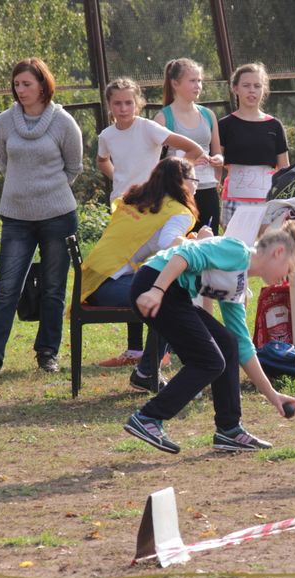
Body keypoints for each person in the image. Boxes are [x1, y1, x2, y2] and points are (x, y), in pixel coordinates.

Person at [123, 221, 295, 454]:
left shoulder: (238, 283)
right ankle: (149, 417)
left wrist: (273, 395)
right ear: (278, 252)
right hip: (154, 284)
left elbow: (243, 346)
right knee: (209, 361)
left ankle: (229, 430)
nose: (285, 278)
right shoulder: (236, 251)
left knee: (227, 343)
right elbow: (183, 254)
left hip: (171, 294)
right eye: (288, 269)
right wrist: (157, 291)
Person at [0, 58, 82, 378]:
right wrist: (26, 191)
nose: (20, 90)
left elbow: (74, 167)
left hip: (58, 216)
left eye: (27, 84)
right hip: (16, 217)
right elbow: (5, 163)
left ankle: (47, 353)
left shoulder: (63, 122)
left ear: (43, 85)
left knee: (53, 288)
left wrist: (47, 193)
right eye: (17, 84)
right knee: (7, 287)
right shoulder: (4, 122)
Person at [95, 77, 202, 367]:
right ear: (109, 106)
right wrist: (118, 178)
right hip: (130, 203)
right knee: (153, 275)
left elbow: (192, 148)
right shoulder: (107, 135)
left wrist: (172, 174)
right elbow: (101, 160)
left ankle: (159, 354)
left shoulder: (148, 128)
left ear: (138, 103)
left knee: (149, 270)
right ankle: (145, 355)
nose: (123, 107)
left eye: (129, 102)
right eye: (117, 103)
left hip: (153, 202)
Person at [81, 157, 198, 392]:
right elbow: (168, 243)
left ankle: (150, 369)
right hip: (108, 286)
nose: (197, 185)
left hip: (92, 281)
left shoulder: (138, 198)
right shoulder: (178, 210)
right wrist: (198, 244)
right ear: (181, 182)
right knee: (170, 297)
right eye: (194, 179)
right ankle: (147, 372)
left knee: (165, 293)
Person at [155, 58, 223, 233]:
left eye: (199, 80)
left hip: (207, 188)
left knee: (209, 242)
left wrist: (217, 160)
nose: (198, 85)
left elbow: (217, 152)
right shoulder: (162, 118)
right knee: (182, 245)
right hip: (177, 193)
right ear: (175, 83)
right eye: (192, 81)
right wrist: (188, 161)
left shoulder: (208, 115)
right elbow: (156, 165)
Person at [218, 63, 290, 228]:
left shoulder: (274, 125)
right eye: (246, 85)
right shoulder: (224, 125)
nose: (252, 90)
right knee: (236, 250)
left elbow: (285, 168)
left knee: (267, 250)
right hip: (234, 201)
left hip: (267, 202)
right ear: (235, 88)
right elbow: (217, 162)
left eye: (257, 86)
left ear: (263, 90)